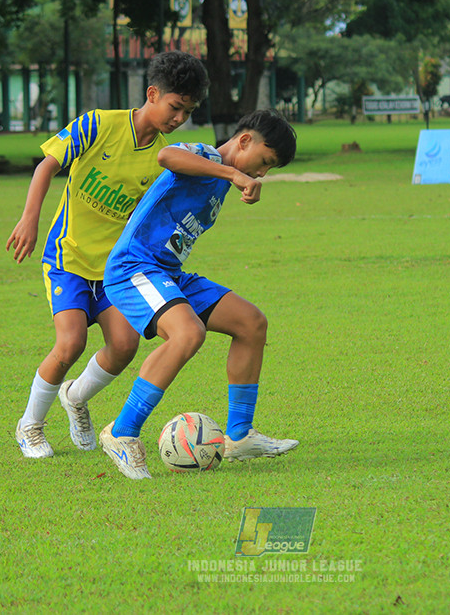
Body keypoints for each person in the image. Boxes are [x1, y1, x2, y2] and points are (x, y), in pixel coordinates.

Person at [6, 51, 209, 459]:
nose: (178, 118)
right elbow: (46, 166)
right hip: (69, 257)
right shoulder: (99, 124)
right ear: (152, 94)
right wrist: (30, 218)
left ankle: (76, 398)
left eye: (187, 112)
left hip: (115, 270)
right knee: (70, 344)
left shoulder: (165, 159)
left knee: (124, 345)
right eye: (174, 107)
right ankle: (29, 425)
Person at [98, 109, 299, 480]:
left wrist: (235, 177)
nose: (262, 173)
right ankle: (121, 432)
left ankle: (239, 436)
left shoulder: (220, 180)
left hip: (169, 274)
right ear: (244, 141)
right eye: (265, 161)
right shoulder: (206, 156)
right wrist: (234, 172)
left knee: (251, 323)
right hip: (133, 267)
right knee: (189, 333)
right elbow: (166, 156)